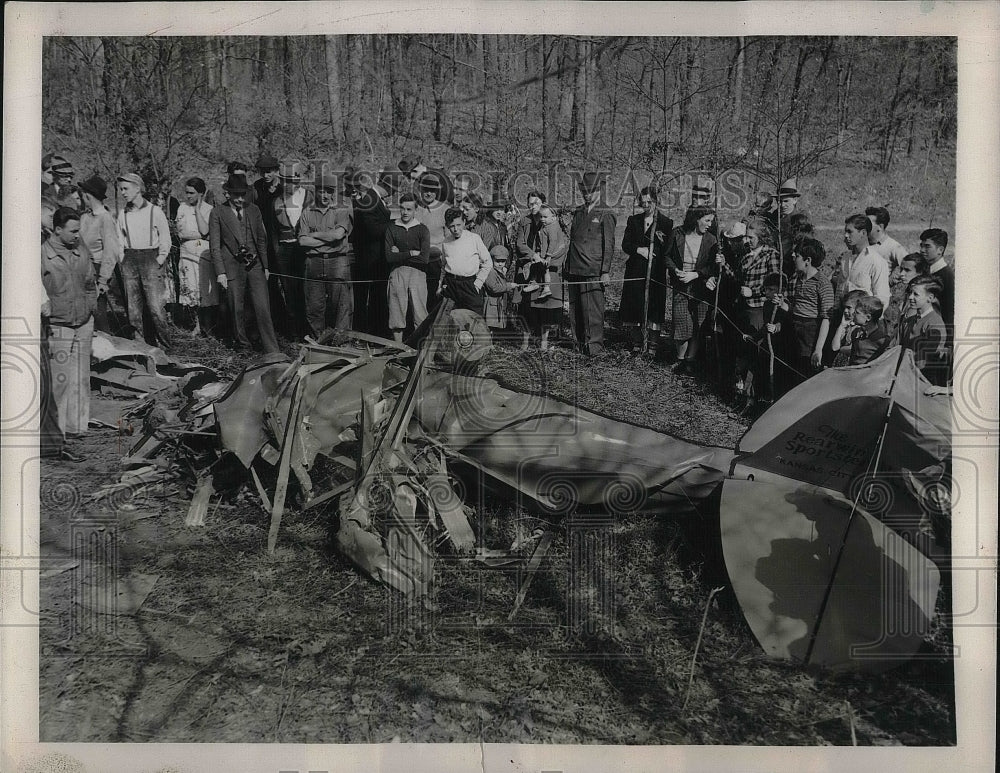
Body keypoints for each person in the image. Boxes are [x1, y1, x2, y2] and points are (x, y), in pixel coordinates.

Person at [41, 207, 96, 440]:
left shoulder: (81, 250)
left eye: (79, 230)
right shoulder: (41, 255)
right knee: (60, 380)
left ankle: (77, 427)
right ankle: (56, 432)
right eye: (73, 231)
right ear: (57, 230)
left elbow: (90, 283)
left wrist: (90, 308)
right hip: (59, 325)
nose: (77, 235)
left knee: (81, 377)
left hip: (83, 322)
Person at [209, 173, 279, 353]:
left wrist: (266, 267)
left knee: (263, 306)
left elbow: (262, 240)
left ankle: (271, 348)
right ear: (228, 194)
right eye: (236, 195)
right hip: (231, 265)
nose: (240, 199)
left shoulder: (254, 210)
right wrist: (220, 272)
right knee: (236, 307)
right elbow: (215, 245)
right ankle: (243, 346)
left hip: (255, 264)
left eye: (243, 194)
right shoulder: (217, 212)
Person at [116, 171, 174, 349]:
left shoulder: (154, 211)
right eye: (121, 189)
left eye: (126, 189)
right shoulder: (122, 214)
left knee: (156, 308)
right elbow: (119, 241)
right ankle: (139, 347)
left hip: (151, 259)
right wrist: (122, 259)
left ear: (137, 188)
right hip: (130, 260)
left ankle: (165, 347)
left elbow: (165, 238)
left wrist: (160, 259)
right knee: (134, 310)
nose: (123, 193)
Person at [566, 171, 616, 357]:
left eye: (591, 191)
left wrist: (605, 271)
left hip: (593, 269)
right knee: (576, 309)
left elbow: (609, 244)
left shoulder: (606, 213)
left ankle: (594, 349)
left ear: (599, 190)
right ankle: (578, 345)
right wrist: (567, 266)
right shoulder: (579, 211)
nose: (587, 194)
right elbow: (572, 240)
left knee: (593, 312)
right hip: (574, 268)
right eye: (584, 191)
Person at [620, 186, 674, 356]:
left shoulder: (666, 223)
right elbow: (625, 244)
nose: (646, 206)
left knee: (654, 308)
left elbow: (668, 249)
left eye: (649, 202)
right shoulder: (633, 220)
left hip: (655, 272)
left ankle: (652, 346)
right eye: (642, 203)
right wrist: (639, 250)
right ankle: (637, 343)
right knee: (634, 307)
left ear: (656, 202)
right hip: (635, 271)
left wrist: (656, 254)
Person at [666, 206, 718, 374]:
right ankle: (679, 359)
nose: (710, 224)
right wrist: (675, 270)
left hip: (701, 287)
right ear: (696, 219)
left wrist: (696, 275)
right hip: (681, 285)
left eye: (712, 221)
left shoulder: (711, 240)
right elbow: (666, 256)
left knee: (699, 324)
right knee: (681, 322)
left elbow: (713, 266)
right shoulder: (677, 233)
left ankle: (691, 360)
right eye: (707, 220)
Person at [778, 236, 833, 383]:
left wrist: (818, 349)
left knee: (805, 372)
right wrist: (783, 305)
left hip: (810, 331)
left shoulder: (822, 283)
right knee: (791, 367)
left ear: (807, 260)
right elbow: (796, 308)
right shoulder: (798, 279)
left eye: (797, 255)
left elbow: (826, 318)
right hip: (794, 327)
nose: (793, 257)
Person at [352, 169, 399, 337]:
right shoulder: (370, 199)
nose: (393, 194)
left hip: (375, 257)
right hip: (370, 259)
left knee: (375, 297)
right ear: (389, 187)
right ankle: (367, 332)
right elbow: (372, 229)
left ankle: (373, 331)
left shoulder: (374, 198)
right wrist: (396, 226)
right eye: (394, 190)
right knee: (370, 298)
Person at [272, 160, 312, 338]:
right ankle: (294, 333)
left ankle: (308, 331)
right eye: (284, 181)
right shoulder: (276, 201)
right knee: (289, 290)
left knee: (306, 290)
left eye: (291, 181)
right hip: (285, 251)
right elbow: (273, 232)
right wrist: (276, 252)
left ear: (299, 180)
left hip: (305, 250)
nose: (288, 185)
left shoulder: (309, 197)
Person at [520, 204, 568, 351]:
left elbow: (557, 246)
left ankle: (544, 341)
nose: (543, 219)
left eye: (545, 217)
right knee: (532, 307)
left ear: (554, 217)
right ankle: (527, 340)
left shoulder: (554, 229)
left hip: (550, 265)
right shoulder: (536, 226)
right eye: (541, 217)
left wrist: (547, 256)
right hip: (539, 265)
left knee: (547, 308)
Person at [77, 175, 122, 335]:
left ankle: (108, 352)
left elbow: (111, 251)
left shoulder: (105, 219)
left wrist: (103, 279)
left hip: (96, 271)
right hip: (81, 269)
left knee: (99, 315)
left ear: (88, 195)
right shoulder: (84, 217)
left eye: (82, 194)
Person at [383, 192, 429, 342]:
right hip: (397, 273)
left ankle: (420, 350)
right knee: (396, 313)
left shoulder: (422, 229)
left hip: (418, 274)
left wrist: (400, 254)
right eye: (402, 208)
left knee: (420, 313)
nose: (405, 212)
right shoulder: (392, 227)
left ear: (415, 210)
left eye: (409, 209)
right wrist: (410, 252)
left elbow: (424, 259)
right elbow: (389, 257)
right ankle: (398, 349)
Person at [174, 177, 217, 336]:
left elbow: (205, 231)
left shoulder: (208, 209)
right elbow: (180, 232)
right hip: (186, 251)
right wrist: (194, 235)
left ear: (201, 193)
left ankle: (209, 326)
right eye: (187, 192)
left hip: (202, 253)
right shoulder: (182, 208)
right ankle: (197, 325)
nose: (188, 196)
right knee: (190, 288)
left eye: (192, 193)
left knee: (204, 289)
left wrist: (198, 210)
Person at [897, 275, 948, 386]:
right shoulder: (910, 320)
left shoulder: (935, 324)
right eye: (910, 293)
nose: (910, 297)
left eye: (916, 294)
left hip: (921, 383)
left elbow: (922, 362)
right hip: (903, 376)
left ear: (930, 298)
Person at [439, 206, 492, 312]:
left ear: (464, 222)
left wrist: (478, 283)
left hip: (469, 285)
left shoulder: (474, 238)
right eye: (452, 226)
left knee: (474, 319)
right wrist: (440, 284)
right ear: (447, 226)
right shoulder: (446, 242)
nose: (455, 229)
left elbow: (488, 262)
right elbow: (444, 266)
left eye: (458, 225)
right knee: (449, 319)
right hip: (450, 285)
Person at [836, 214, 891, 307]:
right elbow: (839, 289)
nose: (846, 235)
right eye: (845, 232)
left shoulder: (877, 261)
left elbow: (882, 299)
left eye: (850, 232)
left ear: (863, 233)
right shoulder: (845, 258)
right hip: (843, 314)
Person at [884, 252, 929, 339]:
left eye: (907, 270)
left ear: (920, 273)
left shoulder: (923, 299)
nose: (901, 274)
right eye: (901, 269)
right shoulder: (906, 292)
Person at [919, 228, 954, 330]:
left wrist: (947, 342)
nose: (922, 250)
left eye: (927, 246)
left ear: (940, 250)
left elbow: (949, 311)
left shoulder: (947, 276)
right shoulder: (925, 270)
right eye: (921, 245)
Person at [848, 295, 891, 365]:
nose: (853, 314)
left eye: (857, 313)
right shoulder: (855, 333)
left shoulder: (882, 340)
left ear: (868, 317)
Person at [865, 206, 908, 273]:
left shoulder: (893, 247)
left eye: (868, 224)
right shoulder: (862, 245)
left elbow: (909, 267)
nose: (864, 226)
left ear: (880, 227)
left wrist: (894, 277)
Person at [776, 178, 806, 269]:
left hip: (791, 264)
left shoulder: (799, 219)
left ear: (795, 200)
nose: (782, 205)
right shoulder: (776, 216)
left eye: (786, 201)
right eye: (780, 201)